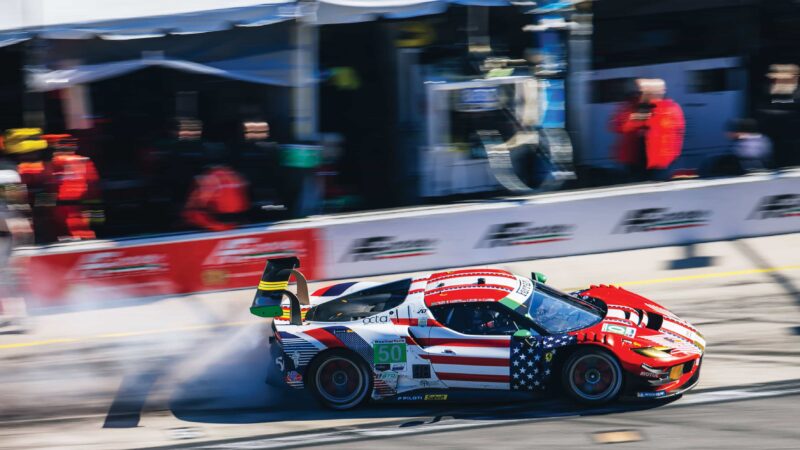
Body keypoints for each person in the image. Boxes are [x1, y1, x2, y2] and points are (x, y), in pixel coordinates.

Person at [610, 78, 685, 181]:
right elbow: (620, 127)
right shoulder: (633, 106)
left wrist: (674, 154)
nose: (643, 93)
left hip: (659, 161)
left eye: (646, 90)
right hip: (635, 160)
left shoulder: (669, 108)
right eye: (642, 90)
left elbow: (676, 132)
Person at [182, 145, 250, 232]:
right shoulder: (237, 176)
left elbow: (194, 207)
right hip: (236, 224)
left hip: (216, 226)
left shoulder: (207, 178)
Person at [46, 134, 102, 241]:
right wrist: (97, 219)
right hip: (79, 213)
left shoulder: (53, 163)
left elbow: (48, 188)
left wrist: (43, 211)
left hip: (63, 214)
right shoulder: (85, 161)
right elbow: (94, 190)